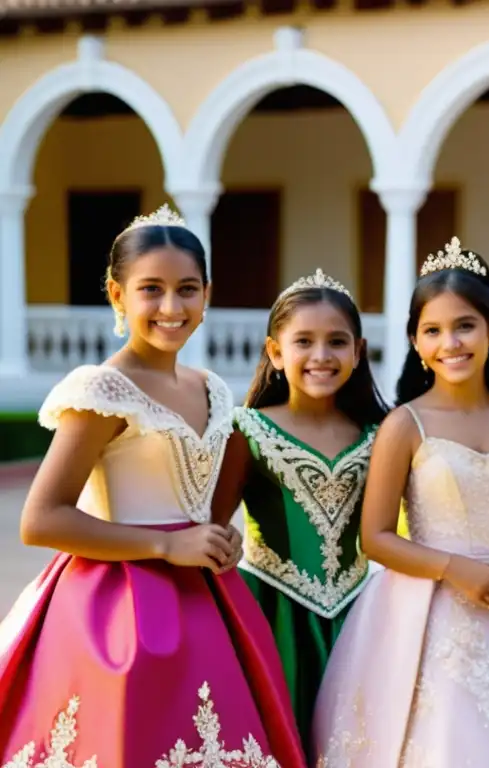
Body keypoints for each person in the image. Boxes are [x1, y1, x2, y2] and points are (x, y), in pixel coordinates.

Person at [0, 205, 305, 767]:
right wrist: (166, 545)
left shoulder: (211, 387)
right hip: (119, 604)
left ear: (207, 294)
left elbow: (193, 494)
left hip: (208, 601)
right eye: (152, 289)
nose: (172, 307)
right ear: (118, 296)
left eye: (187, 289)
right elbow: (39, 519)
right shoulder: (103, 391)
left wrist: (217, 537)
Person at [311, 237, 489, 767]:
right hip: (428, 615)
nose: (450, 343)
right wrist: (455, 569)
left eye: (464, 326)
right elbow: (376, 539)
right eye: (432, 331)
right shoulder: (404, 425)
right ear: (415, 341)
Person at [212, 268, 389, 748]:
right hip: (270, 618)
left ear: (358, 351)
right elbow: (210, 525)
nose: (321, 355)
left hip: (360, 619)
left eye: (336, 342)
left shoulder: (380, 435)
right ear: (275, 351)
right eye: (304, 341)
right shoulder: (245, 429)